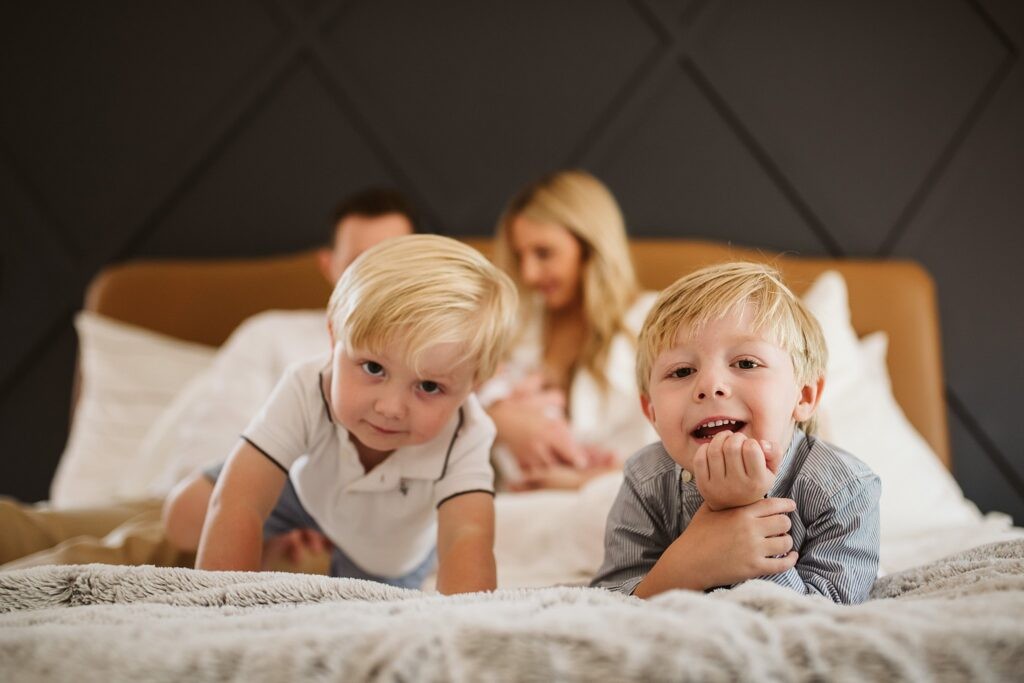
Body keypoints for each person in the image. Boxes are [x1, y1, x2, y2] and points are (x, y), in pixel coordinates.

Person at [0, 188, 419, 572]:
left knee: (111, 556)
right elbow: (213, 439)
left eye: (390, 260)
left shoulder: (437, 360)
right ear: (328, 267)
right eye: (359, 263)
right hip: (208, 500)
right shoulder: (273, 336)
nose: (375, 279)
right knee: (30, 528)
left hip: (306, 539)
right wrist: (239, 506)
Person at [178, 235, 518, 593]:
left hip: (383, 548)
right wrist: (226, 603)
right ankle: (285, 537)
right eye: (373, 367)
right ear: (333, 336)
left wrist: (464, 629)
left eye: (429, 387)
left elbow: (467, 537)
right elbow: (240, 498)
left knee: (365, 607)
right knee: (185, 515)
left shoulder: (467, 434)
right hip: (304, 490)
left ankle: (308, 553)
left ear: (474, 385)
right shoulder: (307, 385)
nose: (389, 408)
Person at [591, 262, 881, 604]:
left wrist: (744, 510)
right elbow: (607, 603)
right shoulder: (646, 479)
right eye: (682, 371)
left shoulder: (845, 489)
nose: (710, 386)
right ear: (651, 412)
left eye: (746, 364)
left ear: (803, 397)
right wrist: (687, 564)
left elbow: (830, 618)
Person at [483, 170, 658, 489]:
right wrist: (502, 420)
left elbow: (676, 450)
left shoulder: (655, 321)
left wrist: (582, 480)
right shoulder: (515, 324)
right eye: (521, 256)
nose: (530, 274)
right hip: (522, 497)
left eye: (544, 253)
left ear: (590, 247)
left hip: (616, 495)